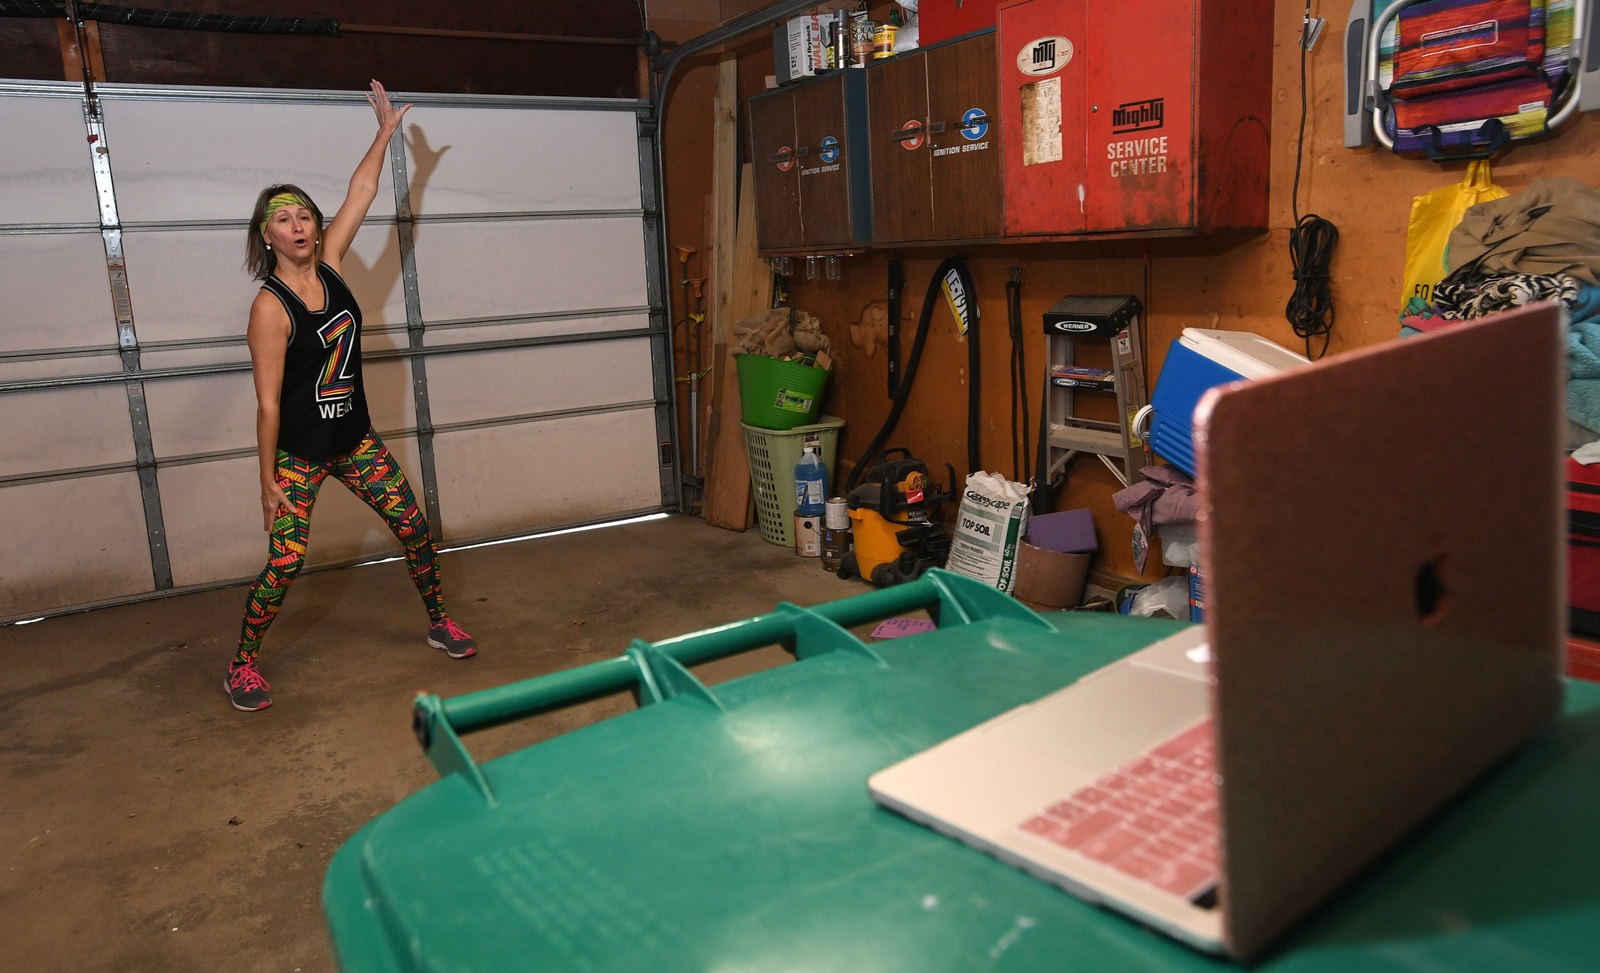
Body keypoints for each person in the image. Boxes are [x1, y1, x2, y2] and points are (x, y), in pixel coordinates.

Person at [227, 80, 475, 713]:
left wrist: (385, 134)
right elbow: (268, 404)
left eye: (304, 213)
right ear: (267, 237)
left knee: (416, 531)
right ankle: (242, 666)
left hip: (355, 439)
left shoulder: (333, 261)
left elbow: (361, 192)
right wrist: (264, 477)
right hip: (300, 455)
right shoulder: (269, 306)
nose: (300, 224)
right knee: (285, 562)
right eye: (283, 219)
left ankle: (438, 622)